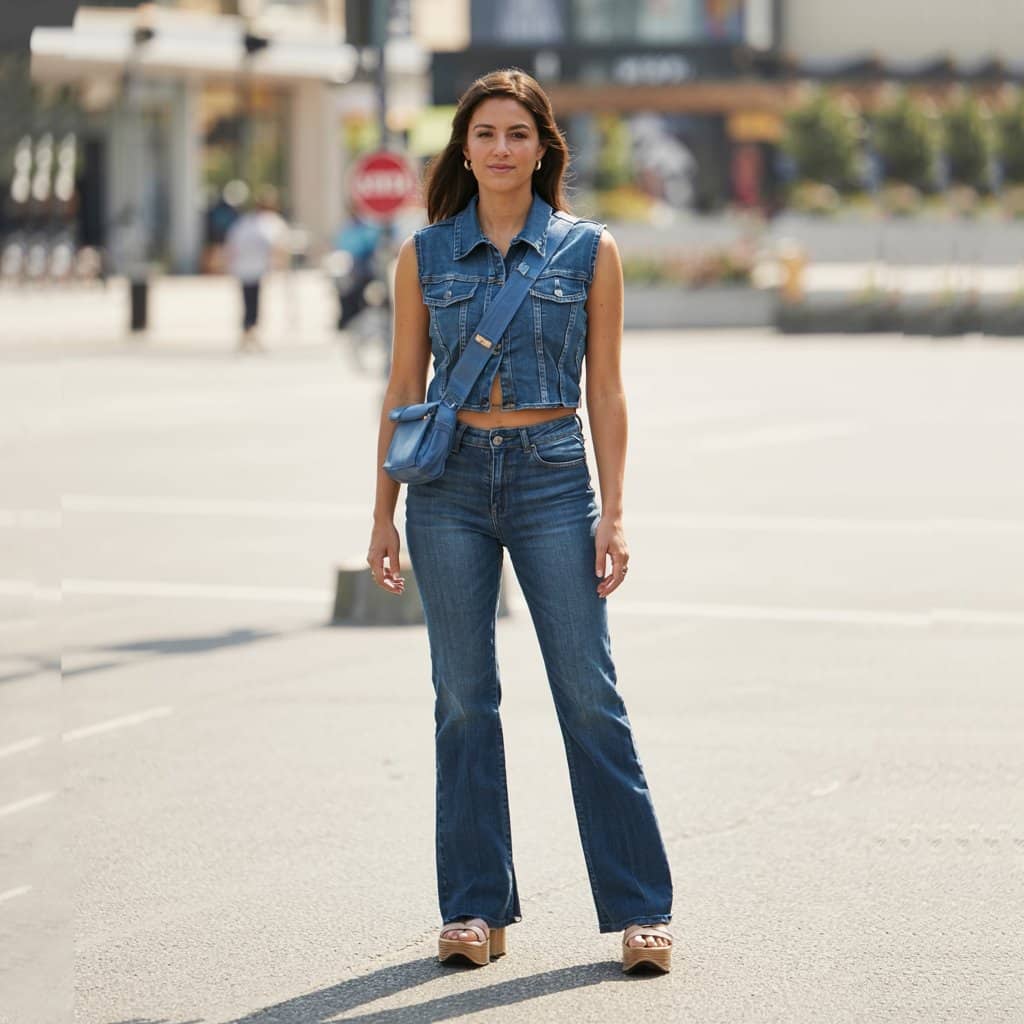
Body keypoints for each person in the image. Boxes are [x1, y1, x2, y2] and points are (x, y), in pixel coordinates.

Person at [366, 69, 674, 974]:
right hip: (448, 485)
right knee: (463, 701)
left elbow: (607, 389)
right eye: (487, 133)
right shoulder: (424, 254)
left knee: (588, 694)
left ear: (544, 149)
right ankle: (473, 909)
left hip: (549, 478)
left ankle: (639, 912)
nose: (502, 149)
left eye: (518, 134)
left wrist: (614, 511)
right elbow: (400, 389)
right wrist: (381, 514)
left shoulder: (588, 251)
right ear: (464, 146)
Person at [223, 185, 288, 352]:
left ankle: (249, 332)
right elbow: (278, 245)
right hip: (254, 268)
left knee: (249, 301)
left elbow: (232, 244)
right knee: (252, 302)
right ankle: (249, 332)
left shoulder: (245, 223)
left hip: (245, 268)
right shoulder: (268, 223)